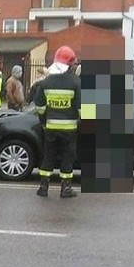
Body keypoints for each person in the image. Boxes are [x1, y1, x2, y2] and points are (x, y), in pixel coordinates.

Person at [34, 45, 81, 198]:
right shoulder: (76, 82)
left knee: (48, 156)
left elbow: (39, 107)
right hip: (70, 129)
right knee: (68, 157)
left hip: (50, 128)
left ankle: (43, 187)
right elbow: (82, 108)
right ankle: (65, 189)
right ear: (71, 64)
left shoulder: (46, 82)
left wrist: (44, 122)